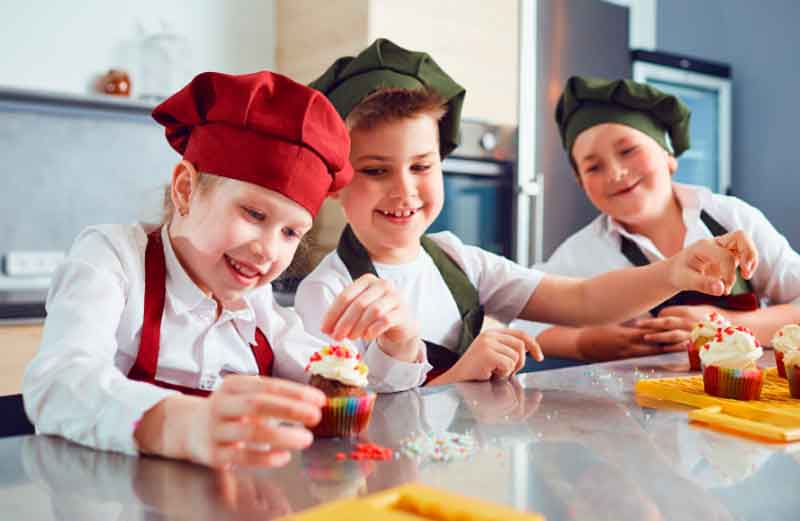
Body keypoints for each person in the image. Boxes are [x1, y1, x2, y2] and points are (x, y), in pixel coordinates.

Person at [295, 39, 759, 385]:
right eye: (376, 170)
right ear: (335, 183)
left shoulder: (457, 260)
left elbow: (582, 301)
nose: (405, 190)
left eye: (422, 166)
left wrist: (675, 272)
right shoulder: (329, 294)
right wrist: (463, 373)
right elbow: (344, 425)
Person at [22, 70, 423, 468]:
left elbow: (336, 388)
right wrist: (173, 422)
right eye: (253, 213)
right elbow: (57, 383)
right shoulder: (113, 259)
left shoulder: (256, 303)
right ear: (184, 189)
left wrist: (397, 342)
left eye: (289, 232)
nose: (267, 249)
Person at [514, 76, 800, 363]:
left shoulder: (731, 218)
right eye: (593, 167)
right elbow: (523, 325)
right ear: (581, 183)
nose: (615, 173)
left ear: (668, 156)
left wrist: (727, 325)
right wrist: (586, 343)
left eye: (628, 151)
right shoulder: (583, 252)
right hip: (644, 402)